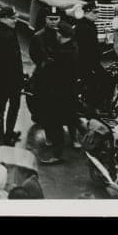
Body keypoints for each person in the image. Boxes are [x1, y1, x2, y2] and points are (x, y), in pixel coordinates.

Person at [36, 20, 80, 165]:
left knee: (55, 124)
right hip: (69, 92)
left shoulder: (61, 54)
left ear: (61, 35)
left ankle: (57, 155)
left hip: (57, 94)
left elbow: (50, 72)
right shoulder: (72, 47)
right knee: (70, 119)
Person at [0, 5, 23, 146]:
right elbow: (4, 59)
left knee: (6, 107)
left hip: (1, 78)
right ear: (4, 18)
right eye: (13, 18)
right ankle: (4, 137)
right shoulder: (1, 34)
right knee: (5, 107)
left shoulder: (4, 30)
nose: (16, 21)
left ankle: (7, 134)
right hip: (5, 78)